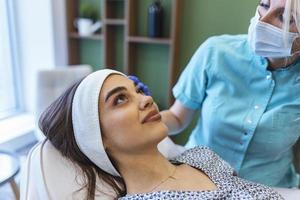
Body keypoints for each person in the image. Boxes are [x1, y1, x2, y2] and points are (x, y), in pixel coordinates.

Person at [38, 69, 283, 199]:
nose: (146, 99)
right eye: (120, 99)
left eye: (137, 91)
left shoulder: (201, 157)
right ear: (96, 136)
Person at [160, 0, 300, 188]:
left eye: (285, 18)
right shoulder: (216, 52)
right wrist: (143, 121)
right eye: (264, 5)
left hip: (270, 188)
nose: (263, 21)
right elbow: (177, 118)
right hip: (199, 179)